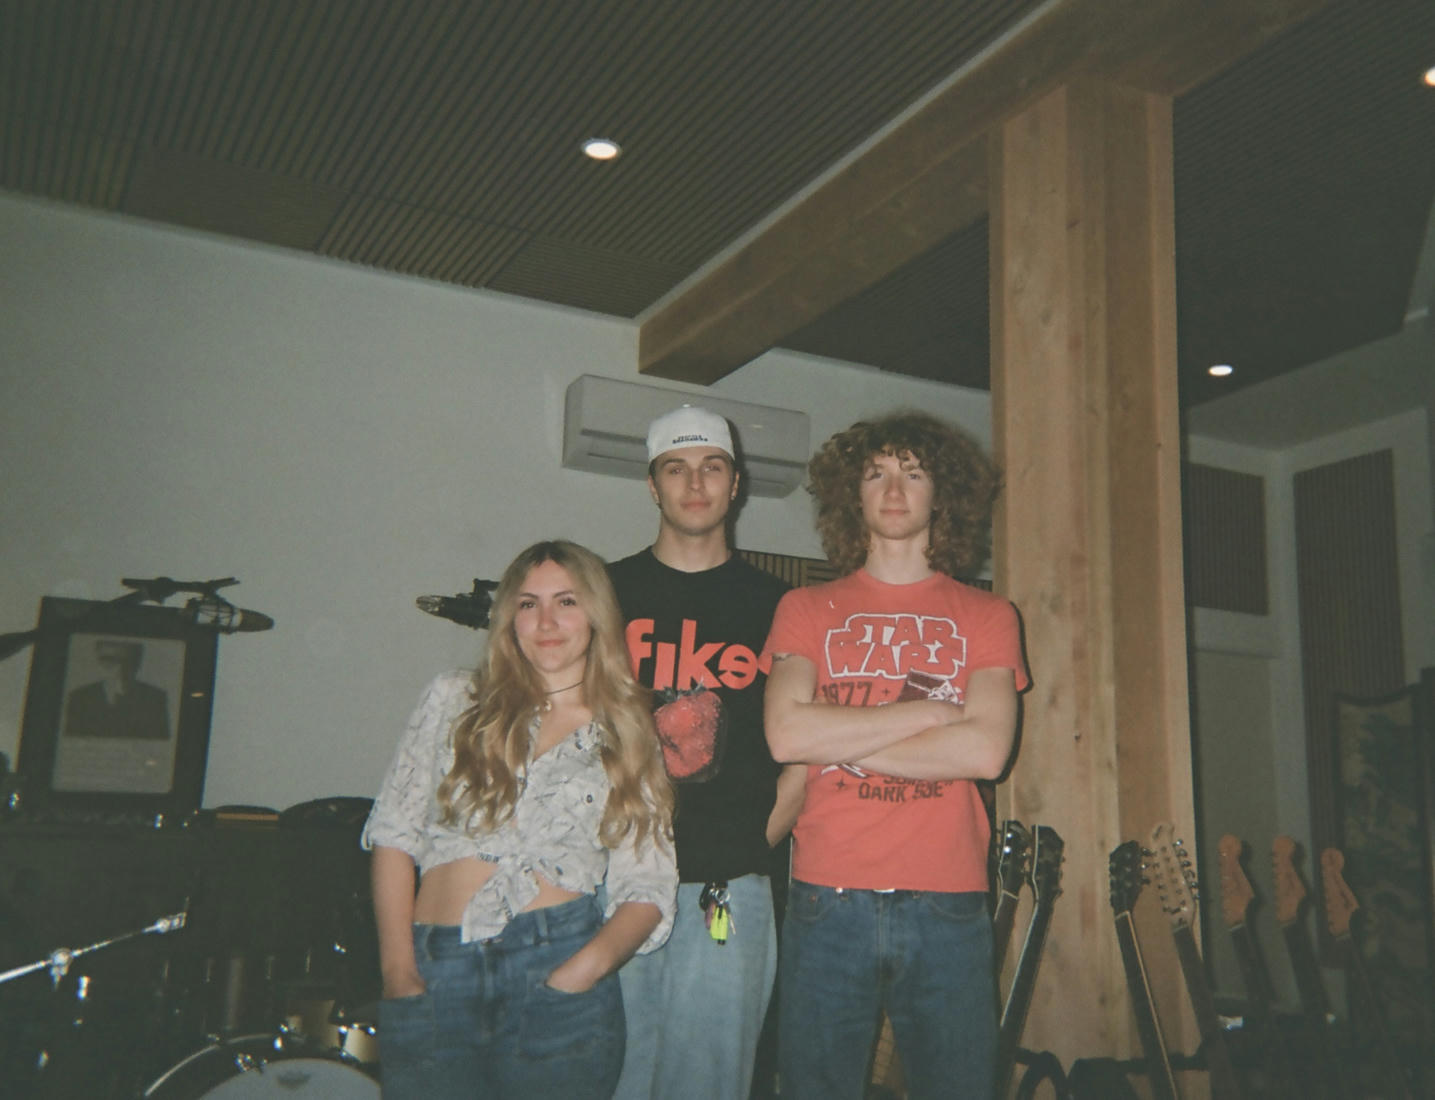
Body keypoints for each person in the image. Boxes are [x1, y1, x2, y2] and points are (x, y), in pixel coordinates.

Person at [761, 411, 1030, 1100]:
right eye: (875, 472)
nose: (892, 488)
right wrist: (930, 713)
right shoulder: (805, 607)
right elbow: (786, 737)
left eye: (913, 473)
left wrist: (839, 735)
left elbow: (986, 751)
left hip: (949, 902)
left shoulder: (988, 615)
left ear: (943, 494)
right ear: (850, 493)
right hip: (826, 897)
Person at [363, 539, 678, 1100]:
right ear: (509, 617)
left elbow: (648, 886)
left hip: (559, 968)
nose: (547, 621)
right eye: (529, 604)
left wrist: (579, 974)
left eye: (567, 601)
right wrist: (398, 972)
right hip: (436, 971)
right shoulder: (454, 698)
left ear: (597, 616)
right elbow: (393, 835)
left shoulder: (627, 727)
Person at [608, 405, 804, 1100]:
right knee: (609, 1079)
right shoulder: (602, 594)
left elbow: (803, 753)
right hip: (612, 882)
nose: (695, 484)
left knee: (710, 1084)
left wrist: (752, 847)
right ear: (652, 485)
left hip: (728, 891)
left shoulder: (782, 608)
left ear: (736, 483)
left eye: (712, 467)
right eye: (676, 468)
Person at [63, 638, 171, 740]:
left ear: (139, 662)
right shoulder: (79, 699)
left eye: (128, 661)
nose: (120, 669)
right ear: (97, 661)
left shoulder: (155, 699)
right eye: (109, 660)